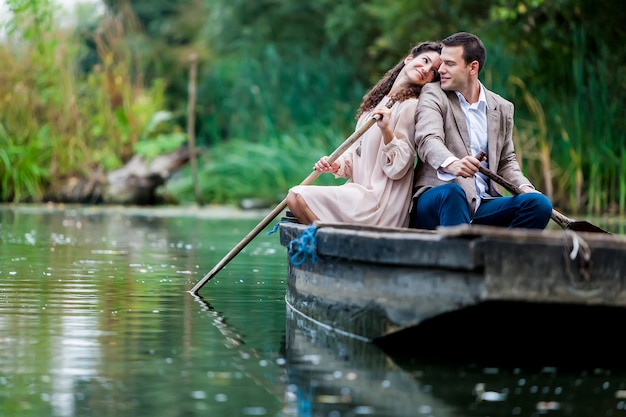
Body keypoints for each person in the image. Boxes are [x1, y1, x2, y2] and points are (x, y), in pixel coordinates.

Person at [286, 41, 442, 227]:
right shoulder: (379, 101)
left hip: (381, 202)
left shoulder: (410, 106)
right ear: (408, 59)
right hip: (359, 192)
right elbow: (358, 152)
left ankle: (330, 241)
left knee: (296, 196)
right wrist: (336, 164)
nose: (426, 69)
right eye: (425, 60)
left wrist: (387, 131)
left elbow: (399, 168)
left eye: (434, 71)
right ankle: (330, 241)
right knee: (294, 199)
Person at [410, 32, 553, 230]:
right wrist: (453, 164)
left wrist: (525, 187)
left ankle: (499, 257)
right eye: (441, 63)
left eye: (449, 64)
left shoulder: (502, 107)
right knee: (453, 193)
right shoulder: (433, 94)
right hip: (438, 200)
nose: (440, 69)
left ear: (473, 67)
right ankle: (459, 259)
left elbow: (506, 161)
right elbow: (428, 140)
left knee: (539, 204)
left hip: (482, 205)